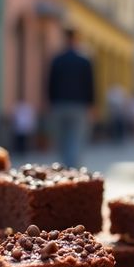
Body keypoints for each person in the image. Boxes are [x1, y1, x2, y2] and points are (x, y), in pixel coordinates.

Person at [47, 27, 94, 168]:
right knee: (76, 139)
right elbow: (90, 84)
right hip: (79, 105)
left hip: (59, 104)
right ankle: (72, 167)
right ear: (76, 39)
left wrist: (51, 101)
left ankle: (65, 166)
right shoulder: (84, 60)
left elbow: (50, 83)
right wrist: (91, 104)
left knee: (61, 139)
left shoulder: (57, 60)